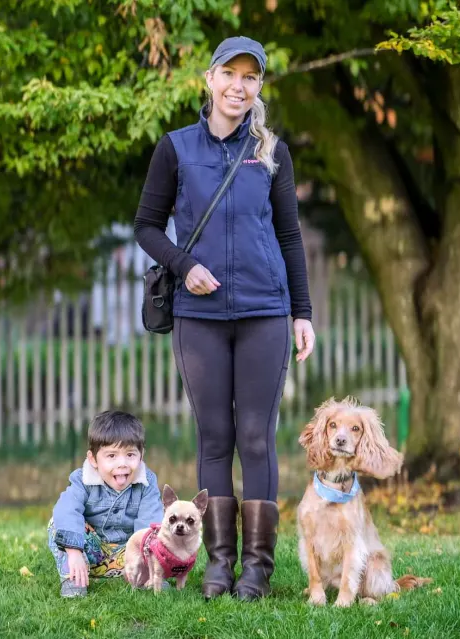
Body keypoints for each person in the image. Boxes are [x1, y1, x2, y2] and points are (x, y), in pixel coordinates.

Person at [133, 35, 315, 602]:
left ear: (258, 86)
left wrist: (301, 312)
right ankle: (216, 566)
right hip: (199, 316)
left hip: (264, 310)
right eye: (229, 75)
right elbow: (146, 226)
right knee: (214, 437)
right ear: (209, 80)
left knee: (256, 438)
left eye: (250, 77)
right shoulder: (176, 148)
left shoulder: (271, 152)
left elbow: (289, 233)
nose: (239, 86)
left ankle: (256, 571)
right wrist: (184, 266)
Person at [46, 410, 164, 598]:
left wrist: (142, 560)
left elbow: (150, 522)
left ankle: (145, 576)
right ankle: (73, 577)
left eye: (130, 455)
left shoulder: (147, 483)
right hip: (91, 554)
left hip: (127, 555)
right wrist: (74, 551)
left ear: (141, 455)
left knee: (163, 529)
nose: (122, 463)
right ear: (93, 459)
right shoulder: (82, 480)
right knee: (57, 523)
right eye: (111, 456)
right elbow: (67, 510)